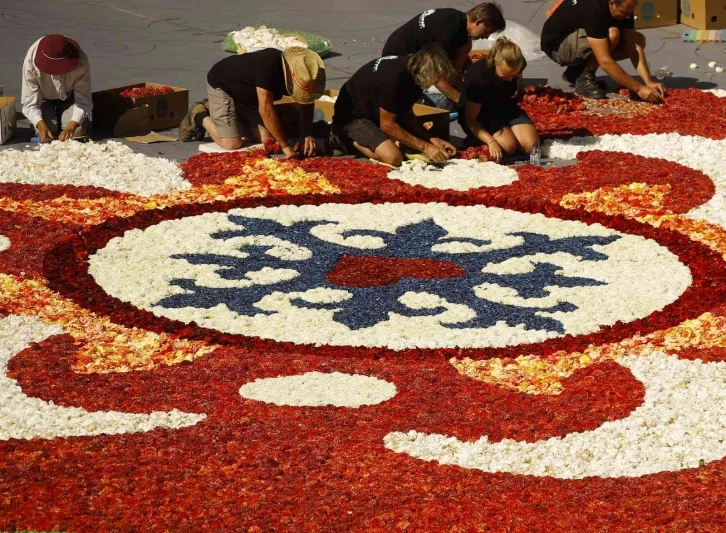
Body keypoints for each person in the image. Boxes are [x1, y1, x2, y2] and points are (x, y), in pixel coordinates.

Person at [180, 47, 325, 157]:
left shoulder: (306, 74)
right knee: (232, 143)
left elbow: (307, 101)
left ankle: (229, 114)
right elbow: (265, 109)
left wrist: (306, 132)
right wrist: (286, 146)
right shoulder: (268, 64)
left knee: (266, 139)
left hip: (249, 96)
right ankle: (199, 114)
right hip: (224, 86)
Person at [330, 45, 458, 167]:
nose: (436, 83)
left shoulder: (413, 69)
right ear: (426, 72)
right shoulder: (395, 79)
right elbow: (388, 125)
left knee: (410, 145)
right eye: (435, 78)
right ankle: (344, 139)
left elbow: (406, 113)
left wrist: (432, 140)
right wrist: (425, 147)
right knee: (393, 157)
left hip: (374, 110)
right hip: (352, 116)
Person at [381, 3, 505, 108]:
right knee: (443, 99)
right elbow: (437, 78)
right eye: (487, 32)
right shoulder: (447, 32)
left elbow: (462, 58)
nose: (486, 37)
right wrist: (461, 101)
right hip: (397, 69)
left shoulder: (456, 20)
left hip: (415, 59)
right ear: (478, 22)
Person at [541, 0, 665, 102]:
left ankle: (576, 73)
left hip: (579, 36)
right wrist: (638, 89)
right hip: (558, 46)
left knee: (639, 40)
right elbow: (604, 61)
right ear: (612, 3)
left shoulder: (625, 7)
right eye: (623, 13)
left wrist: (648, 81)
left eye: (629, 13)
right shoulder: (595, 8)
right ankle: (584, 81)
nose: (626, 17)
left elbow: (634, 47)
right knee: (613, 34)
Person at [458, 37, 538, 163]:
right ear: (496, 62)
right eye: (505, 75)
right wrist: (491, 141)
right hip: (482, 112)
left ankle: (508, 133)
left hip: (506, 105)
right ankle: (477, 139)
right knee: (508, 146)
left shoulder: (519, 64)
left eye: (515, 74)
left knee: (531, 147)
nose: (510, 79)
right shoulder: (478, 77)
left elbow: (516, 82)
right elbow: (470, 119)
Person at [21, 34, 92, 143]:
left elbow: (83, 99)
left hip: (69, 95)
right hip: (43, 97)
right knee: (46, 131)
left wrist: (71, 127)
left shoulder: (81, 60)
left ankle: (64, 114)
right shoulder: (31, 61)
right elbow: (29, 101)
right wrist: (40, 124)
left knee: (77, 131)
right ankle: (52, 117)